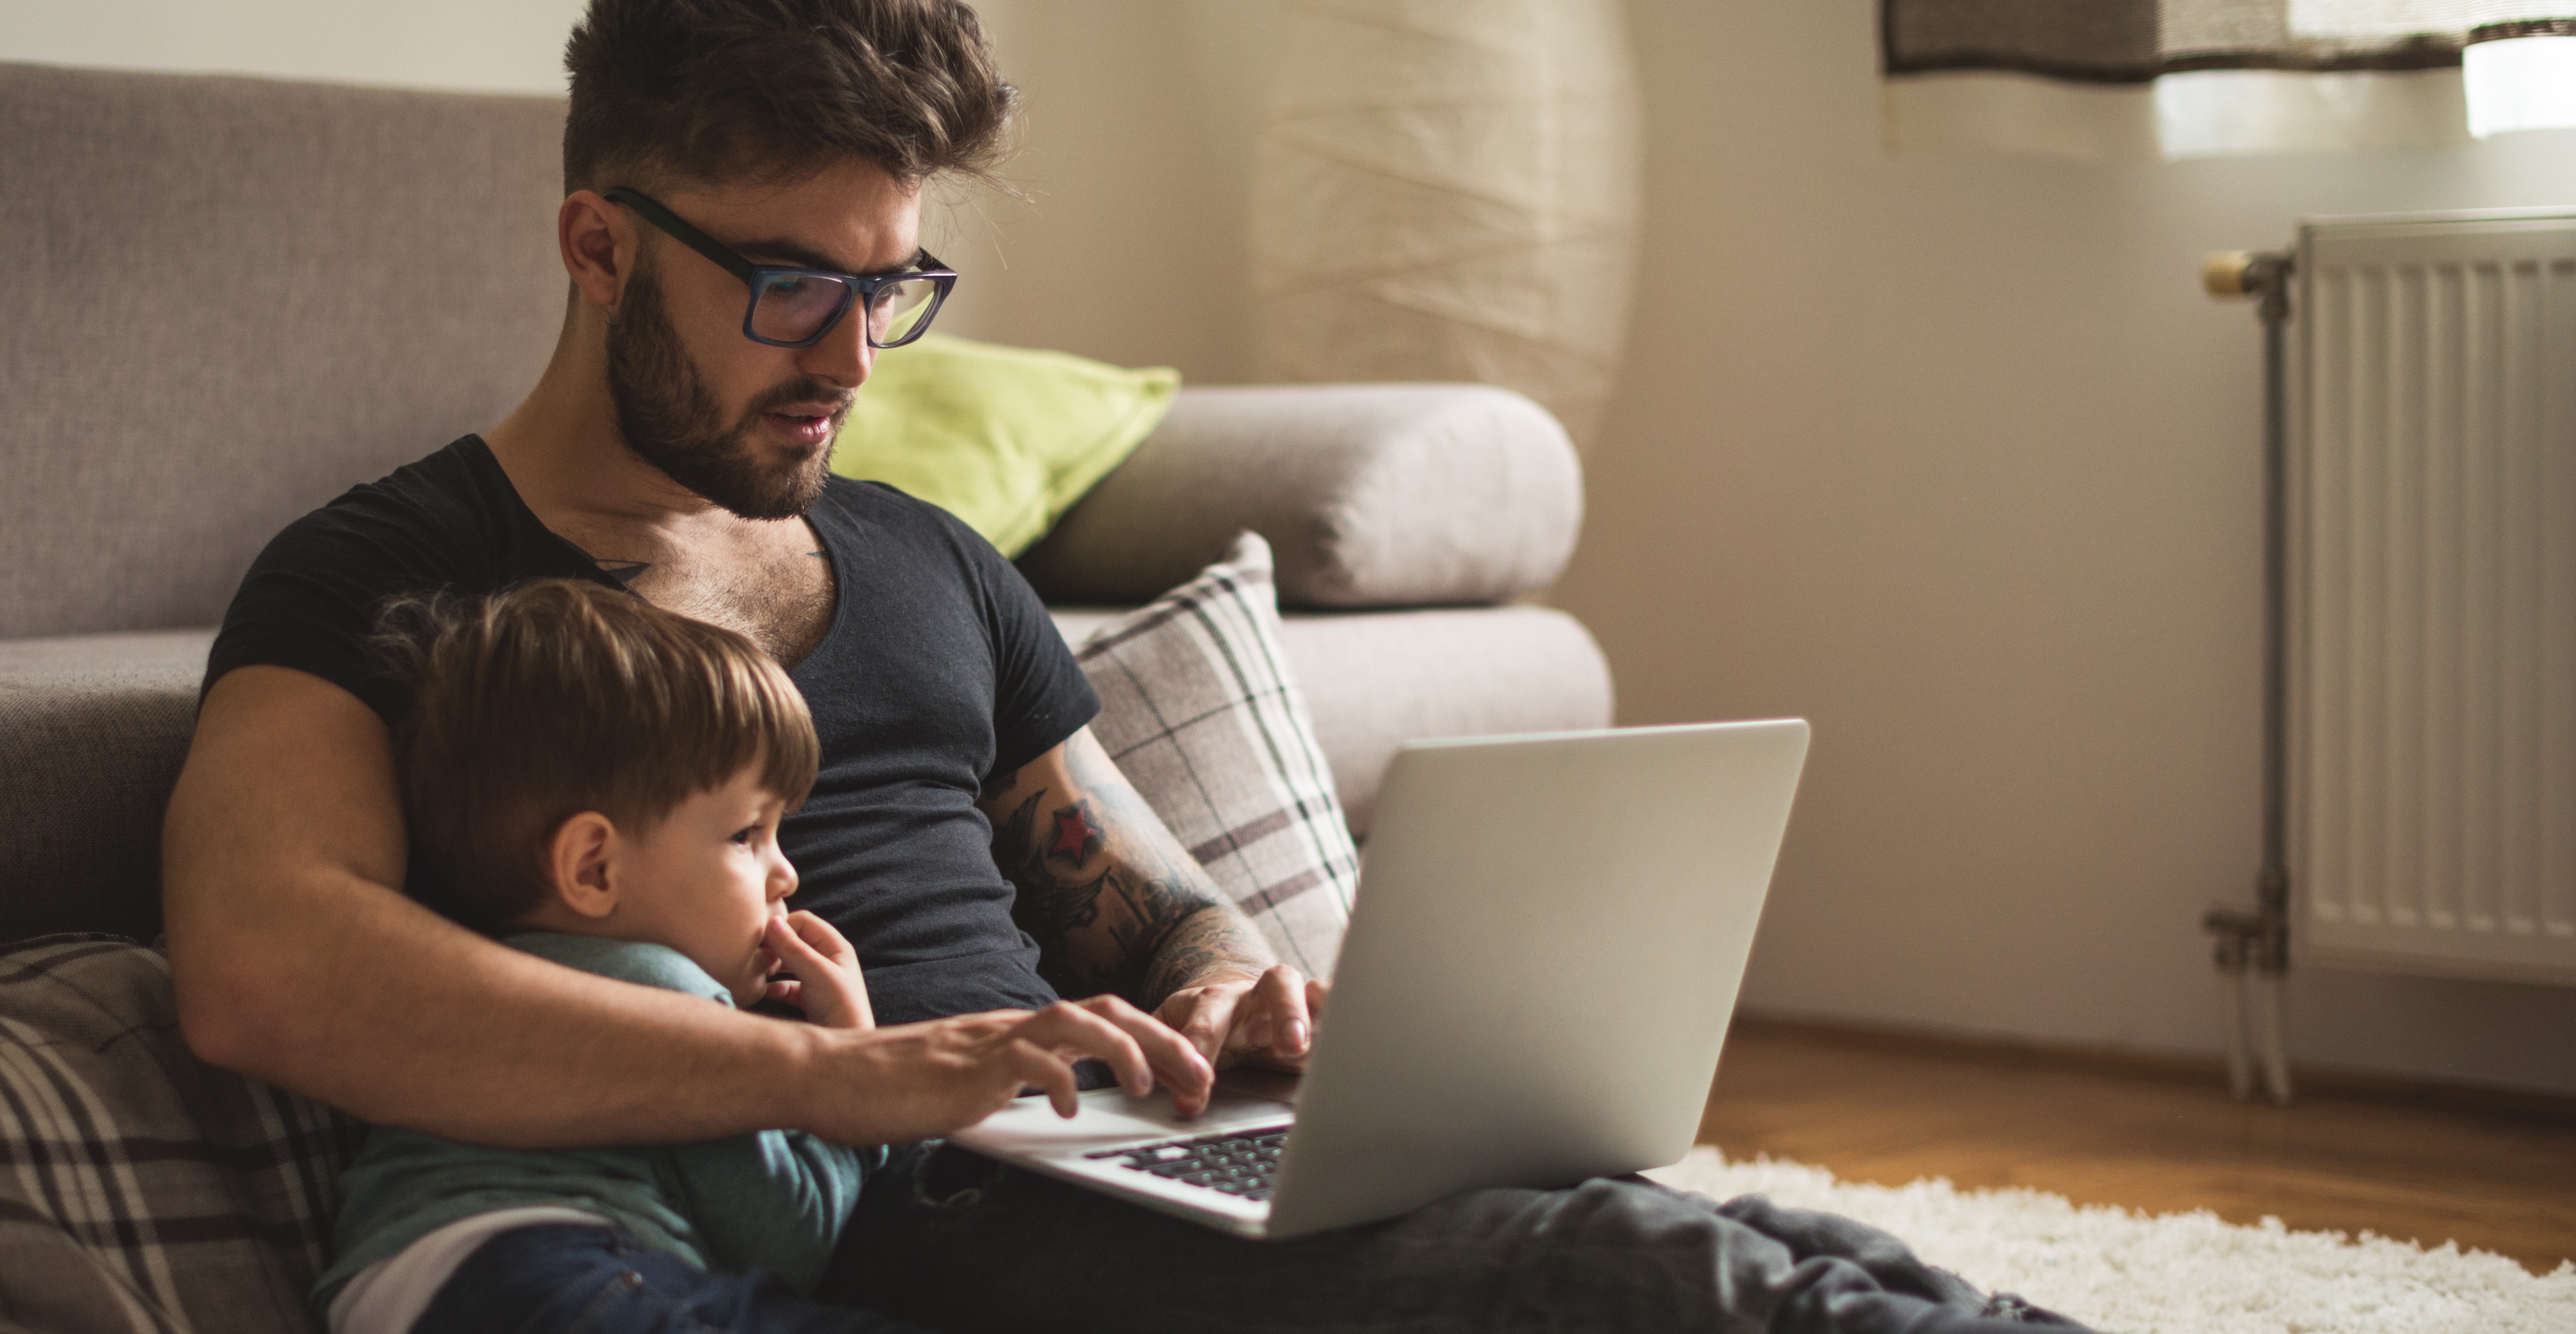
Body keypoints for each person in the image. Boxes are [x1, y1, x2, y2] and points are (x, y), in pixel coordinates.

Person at [162, 0, 2081, 1329]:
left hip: (1095, 1154)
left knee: (1748, 1253)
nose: (847, 359)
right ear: (595, 243)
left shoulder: (922, 556)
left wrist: (1237, 981)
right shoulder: (388, 575)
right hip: (877, 1221)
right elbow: (262, 962)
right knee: (1637, 1290)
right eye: (788, 287)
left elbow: (1143, 901)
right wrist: (844, 1080)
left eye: (890, 287)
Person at [317, 580, 927, 1334]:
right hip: (551, 1271)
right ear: (594, 869)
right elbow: (791, 1241)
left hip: (410, 1286)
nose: (787, 874)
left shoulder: (485, 979)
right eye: (747, 835)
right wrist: (850, 1063)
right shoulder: (665, 993)